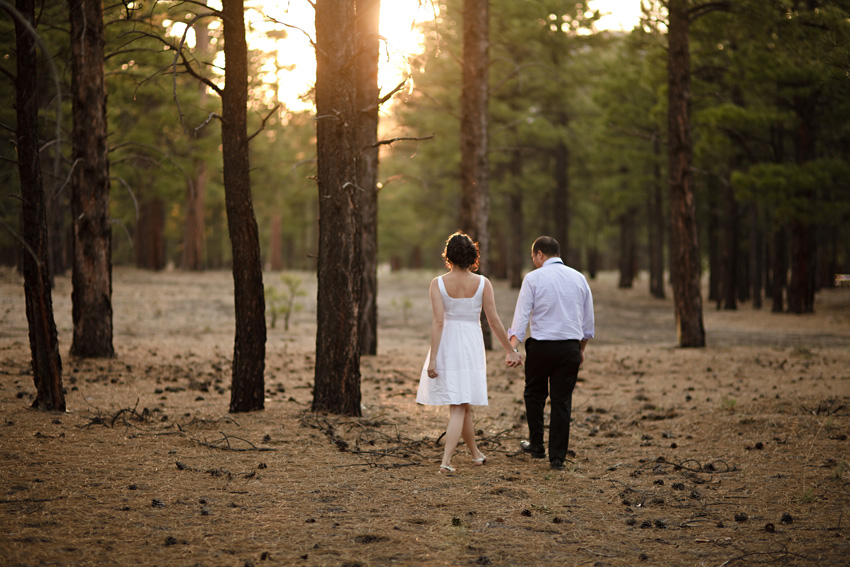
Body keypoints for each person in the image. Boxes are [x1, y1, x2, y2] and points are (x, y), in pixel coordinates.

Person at [417, 232, 522, 473]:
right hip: (471, 343)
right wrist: (511, 350)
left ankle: (475, 453)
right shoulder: (483, 283)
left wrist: (433, 358)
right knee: (459, 404)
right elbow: (493, 321)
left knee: (462, 403)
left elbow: (438, 323)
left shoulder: (437, 283)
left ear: (449, 256)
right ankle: (445, 462)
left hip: (448, 342)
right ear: (472, 256)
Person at [508, 236, 594, 471]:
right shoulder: (579, 278)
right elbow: (587, 324)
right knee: (562, 402)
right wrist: (581, 350)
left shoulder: (533, 278)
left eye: (533, 257)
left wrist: (513, 347)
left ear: (539, 254)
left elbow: (521, 316)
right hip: (569, 349)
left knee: (534, 395)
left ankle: (536, 446)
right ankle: (557, 458)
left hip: (541, 347)